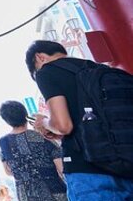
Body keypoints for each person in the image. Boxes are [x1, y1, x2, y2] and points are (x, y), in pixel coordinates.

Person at [26, 40, 133, 199]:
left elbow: (63, 126)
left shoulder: (47, 71)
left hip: (88, 171)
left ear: (40, 57)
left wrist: (44, 123)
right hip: (126, 163)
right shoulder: (98, 69)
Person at [0, 100, 67, 200]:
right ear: (25, 114)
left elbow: (8, 171)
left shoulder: (4, 143)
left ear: (7, 121)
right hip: (55, 193)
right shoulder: (42, 136)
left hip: (27, 195)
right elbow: (62, 168)